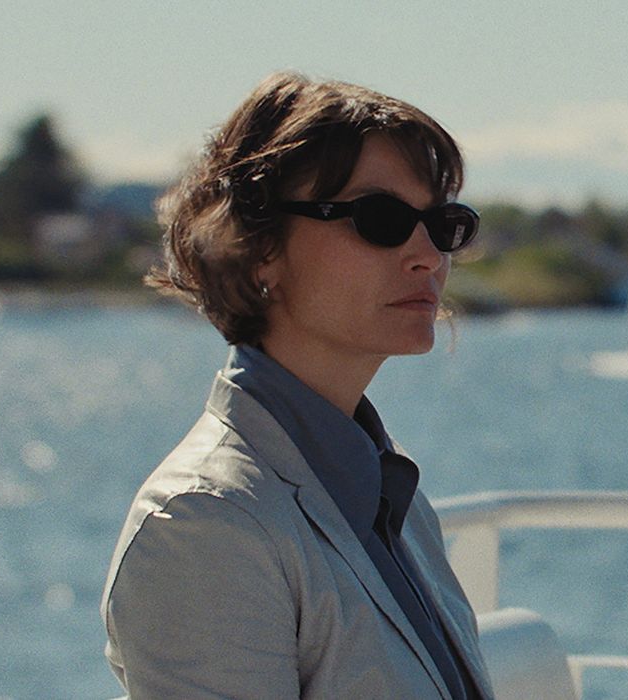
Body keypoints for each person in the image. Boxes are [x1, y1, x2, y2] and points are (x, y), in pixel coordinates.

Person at [99, 72, 493, 699]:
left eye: (443, 224)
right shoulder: (206, 524)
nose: (429, 255)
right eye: (381, 218)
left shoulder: (392, 494)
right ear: (258, 248)